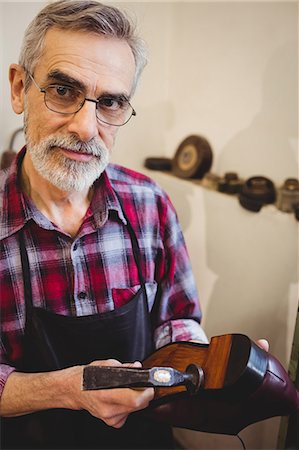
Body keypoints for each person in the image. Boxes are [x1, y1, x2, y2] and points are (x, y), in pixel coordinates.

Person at [0, 1, 209, 448]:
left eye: (111, 102)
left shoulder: (150, 205)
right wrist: (66, 389)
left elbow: (178, 321)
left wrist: (209, 367)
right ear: (19, 88)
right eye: (62, 90)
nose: (85, 127)